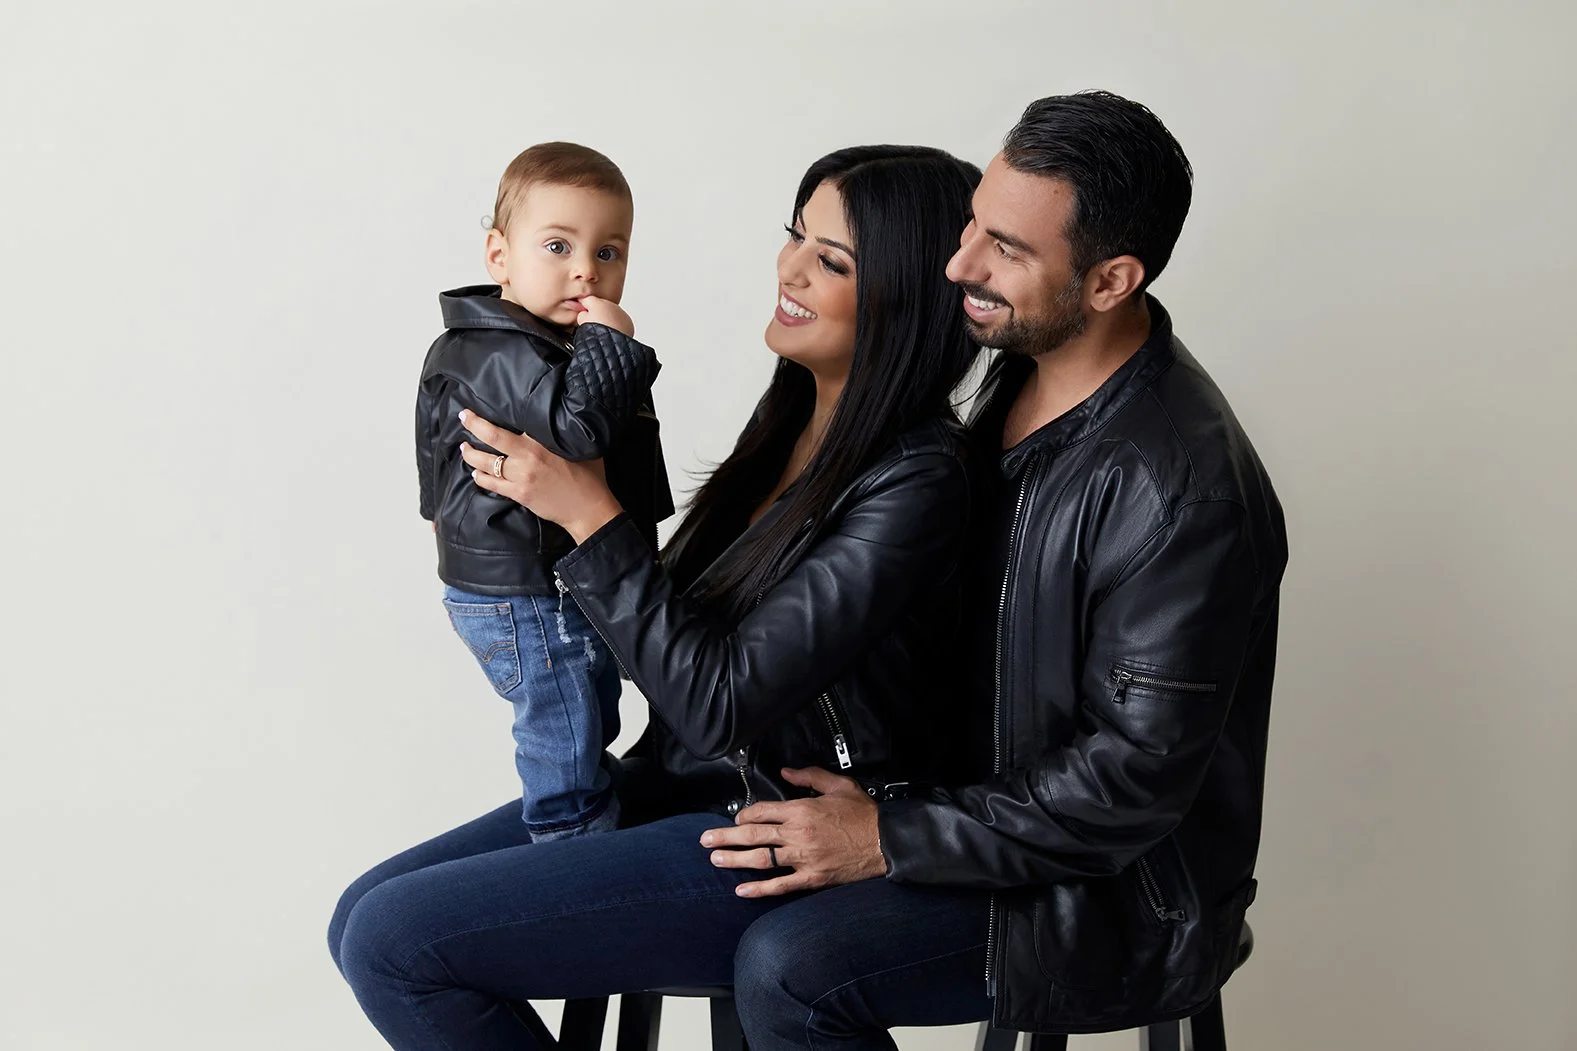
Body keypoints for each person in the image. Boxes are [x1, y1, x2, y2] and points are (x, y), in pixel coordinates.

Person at [330, 144, 984, 1049]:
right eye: (796, 236)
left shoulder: (916, 479)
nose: (790, 267)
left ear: (906, 298)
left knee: (394, 939)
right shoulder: (793, 423)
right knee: (360, 915)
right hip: (683, 788)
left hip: (773, 825)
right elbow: (669, 628)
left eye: (831, 260)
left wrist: (590, 515)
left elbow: (718, 703)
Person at [687, 91, 1290, 1049]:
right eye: (973, 223)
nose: (959, 263)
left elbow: (1126, 783)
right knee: (714, 896)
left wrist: (890, 836)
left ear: (1109, 280)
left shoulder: (1182, 490)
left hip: (1103, 895)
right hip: (961, 817)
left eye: (1006, 247)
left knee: (788, 966)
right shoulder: (1019, 363)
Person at [415, 141, 672, 840]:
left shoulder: (531, 345)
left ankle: (595, 814)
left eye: (609, 251)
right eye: (557, 245)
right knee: (563, 736)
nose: (585, 269)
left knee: (588, 710)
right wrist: (610, 344)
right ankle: (572, 854)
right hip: (525, 590)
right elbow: (578, 429)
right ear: (498, 256)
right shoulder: (497, 349)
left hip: (542, 580)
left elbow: (430, 456)